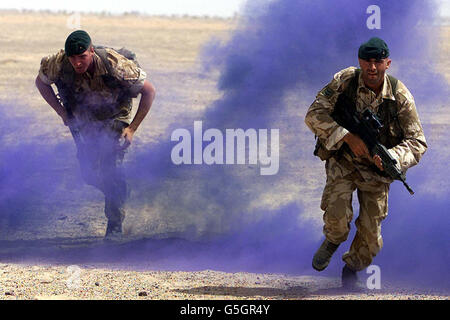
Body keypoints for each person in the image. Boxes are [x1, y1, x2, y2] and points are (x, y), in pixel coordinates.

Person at [304, 37, 427, 289]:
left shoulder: (400, 96)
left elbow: (417, 142)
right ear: (360, 62)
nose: (372, 68)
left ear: (388, 63)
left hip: (377, 170)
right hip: (344, 161)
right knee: (337, 218)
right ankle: (333, 240)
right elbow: (314, 114)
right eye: (367, 62)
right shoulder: (345, 81)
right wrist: (347, 137)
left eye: (378, 62)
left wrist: (392, 157)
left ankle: (351, 269)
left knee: (371, 237)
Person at [35, 30, 156, 240]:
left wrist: (132, 128)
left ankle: (115, 225)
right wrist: (62, 113)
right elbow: (41, 82)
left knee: (111, 166)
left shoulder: (115, 63)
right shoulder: (58, 63)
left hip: (116, 114)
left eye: (82, 57)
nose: (77, 63)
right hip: (84, 118)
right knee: (88, 173)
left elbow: (149, 91)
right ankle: (118, 190)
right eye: (73, 58)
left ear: (91, 51)